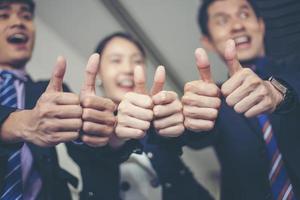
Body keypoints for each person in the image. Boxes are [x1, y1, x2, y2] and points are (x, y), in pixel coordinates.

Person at [67, 32, 214, 200]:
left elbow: (190, 137)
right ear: (99, 72)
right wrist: (112, 135)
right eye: (116, 60)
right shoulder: (84, 121)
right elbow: (85, 149)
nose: (129, 69)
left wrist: (196, 116)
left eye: (137, 61)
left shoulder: (159, 115)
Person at [182, 0, 300, 199]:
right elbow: (198, 137)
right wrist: (191, 122)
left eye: (244, 15)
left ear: (261, 25)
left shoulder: (294, 71)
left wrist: (279, 93)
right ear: (208, 41)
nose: (237, 25)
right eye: (222, 21)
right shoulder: (213, 97)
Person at [0, 0, 116, 199]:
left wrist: (102, 135)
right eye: (3, 15)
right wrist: (19, 123)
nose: (18, 22)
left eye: (26, 16)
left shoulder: (52, 94)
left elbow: (96, 163)